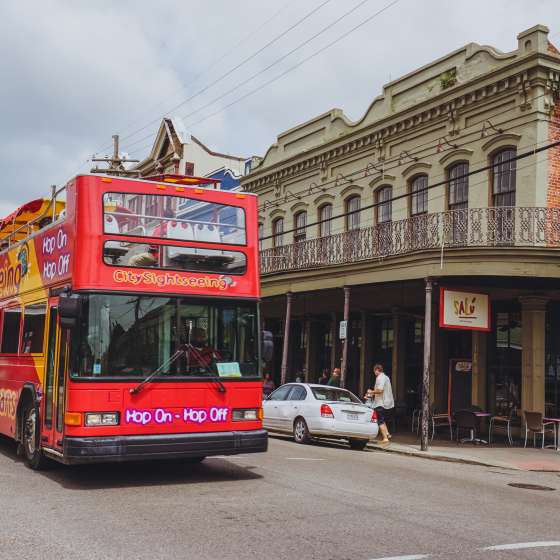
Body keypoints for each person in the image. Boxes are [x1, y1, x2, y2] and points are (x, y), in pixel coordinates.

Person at [364, 363, 394, 444]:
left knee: (379, 420)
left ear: (377, 370)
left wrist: (371, 392)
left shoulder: (380, 378)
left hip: (380, 402)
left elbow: (380, 390)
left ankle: (385, 439)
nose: (374, 373)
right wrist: (371, 394)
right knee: (382, 419)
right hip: (385, 402)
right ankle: (387, 434)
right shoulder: (386, 377)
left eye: (374, 371)